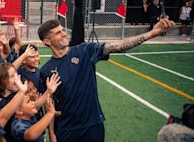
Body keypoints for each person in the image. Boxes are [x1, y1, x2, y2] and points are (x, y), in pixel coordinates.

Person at [38, 17, 174, 142]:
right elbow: (49, 106)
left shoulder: (84, 50)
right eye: (57, 33)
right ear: (47, 41)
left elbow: (118, 46)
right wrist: (52, 134)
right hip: (67, 129)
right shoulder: (45, 71)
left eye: (62, 30)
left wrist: (152, 33)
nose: (63, 34)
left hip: (93, 126)